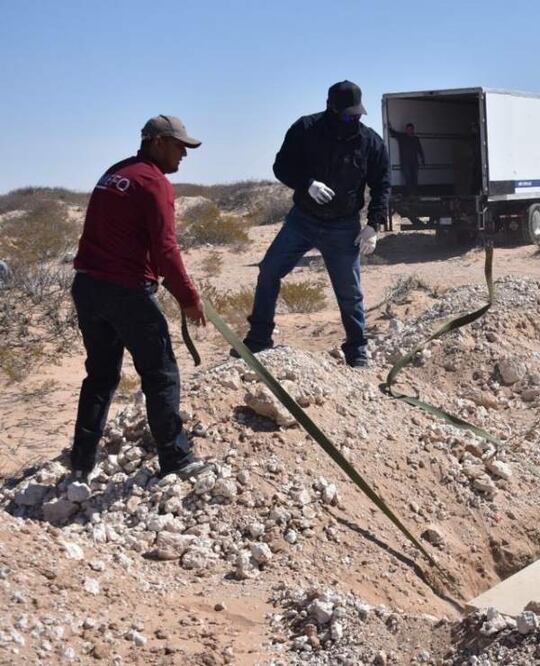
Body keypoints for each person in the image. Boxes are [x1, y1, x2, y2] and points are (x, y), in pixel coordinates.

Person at [70, 115, 209, 481]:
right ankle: (176, 460)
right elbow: (166, 249)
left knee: (100, 376)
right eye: (180, 147)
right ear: (159, 142)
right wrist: (189, 298)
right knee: (161, 373)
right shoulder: (154, 182)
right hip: (124, 291)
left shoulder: (116, 173)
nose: (184, 155)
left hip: (87, 287)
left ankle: (81, 461)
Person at [238, 80, 390, 368]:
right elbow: (281, 166)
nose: (353, 120)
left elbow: (382, 184)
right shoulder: (305, 129)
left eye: (358, 114)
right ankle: (258, 339)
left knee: (350, 292)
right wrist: (306, 183)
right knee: (269, 271)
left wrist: (374, 224)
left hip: (343, 227)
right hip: (302, 221)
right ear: (331, 108)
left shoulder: (370, 142)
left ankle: (357, 349)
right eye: (348, 115)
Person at [388, 123, 425, 197]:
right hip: (405, 162)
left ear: (413, 130)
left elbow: (420, 149)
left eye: (410, 129)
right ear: (406, 130)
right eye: (408, 129)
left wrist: (422, 159)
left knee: (414, 178)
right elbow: (394, 133)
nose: (409, 131)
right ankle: (410, 194)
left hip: (414, 162)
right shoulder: (402, 137)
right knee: (408, 178)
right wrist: (389, 127)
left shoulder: (416, 139)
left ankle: (415, 193)